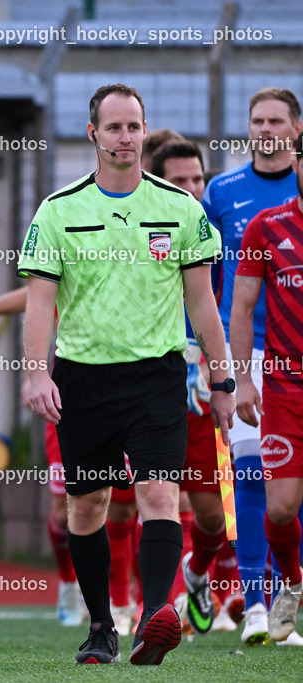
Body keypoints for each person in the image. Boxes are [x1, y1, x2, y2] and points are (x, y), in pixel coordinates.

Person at [19, 84, 234, 666]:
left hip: (157, 377)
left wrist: (223, 379)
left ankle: (154, 619)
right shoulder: (58, 211)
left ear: (145, 130)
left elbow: (202, 303)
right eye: (113, 127)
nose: (125, 137)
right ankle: (98, 626)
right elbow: (39, 302)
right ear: (92, 134)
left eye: (134, 126)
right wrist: (37, 374)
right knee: (85, 507)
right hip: (83, 378)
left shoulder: (181, 210)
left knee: (158, 494)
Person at [201, 87, 302, 645]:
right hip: (250, 353)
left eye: (276, 121)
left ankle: (291, 593)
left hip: (299, 352)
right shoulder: (222, 191)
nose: (265, 129)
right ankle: (256, 604)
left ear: (296, 128)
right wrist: (205, 356)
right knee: (250, 474)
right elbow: (204, 280)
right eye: (257, 120)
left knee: (292, 490)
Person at [151, 139, 243, 635]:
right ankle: (147, 610)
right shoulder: (134, 229)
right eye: (179, 180)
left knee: (211, 517)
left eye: (197, 179)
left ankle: (199, 572)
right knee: (151, 499)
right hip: (145, 383)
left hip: (205, 383)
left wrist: (223, 368)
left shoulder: (216, 235)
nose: (192, 190)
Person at [231, 135, 303, 642]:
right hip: (282, 387)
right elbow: (240, 306)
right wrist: (240, 381)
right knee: (279, 507)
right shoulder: (267, 226)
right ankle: (291, 587)